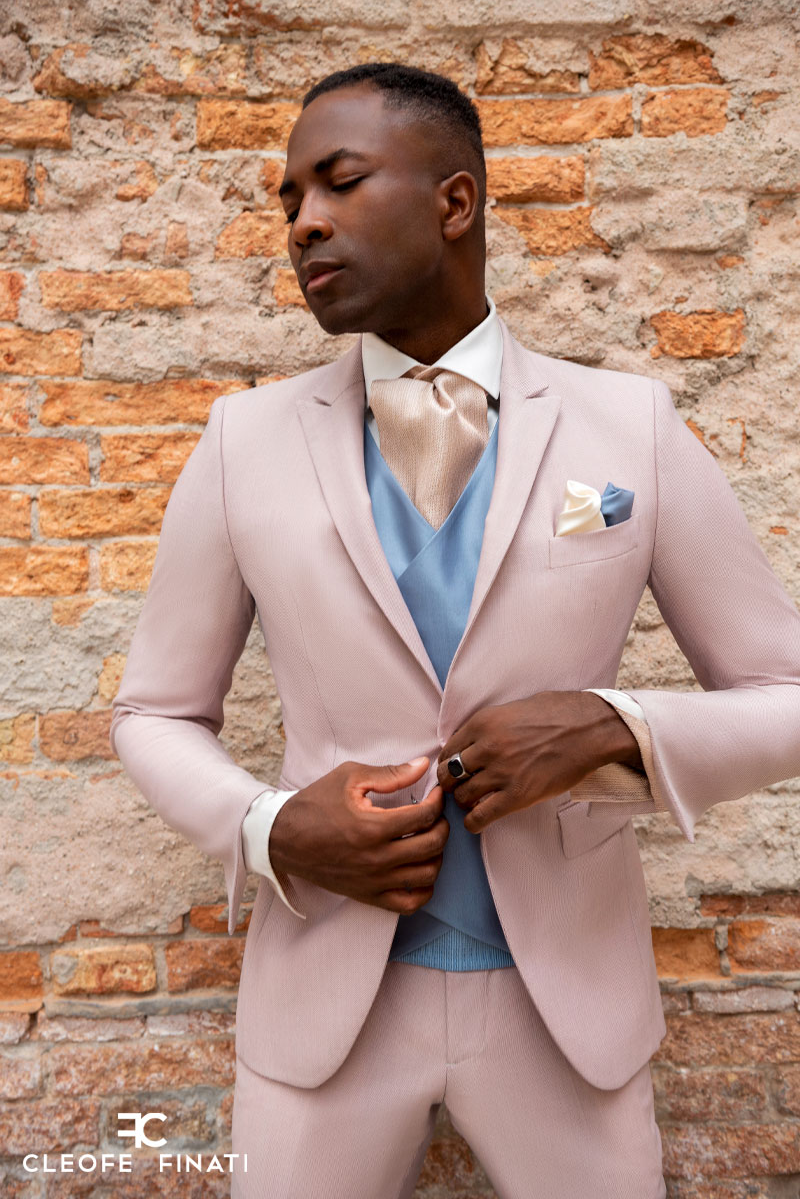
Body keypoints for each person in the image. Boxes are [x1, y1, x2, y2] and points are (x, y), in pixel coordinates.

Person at [109, 63, 800, 1199]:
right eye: (289, 200)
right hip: (322, 1015)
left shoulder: (627, 426)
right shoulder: (242, 442)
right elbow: (155, 711)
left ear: (455, 202)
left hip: (566, 1009)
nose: (304, 222)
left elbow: (784, 694)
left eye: (338, 182)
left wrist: (611, 726)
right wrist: (272, 828)